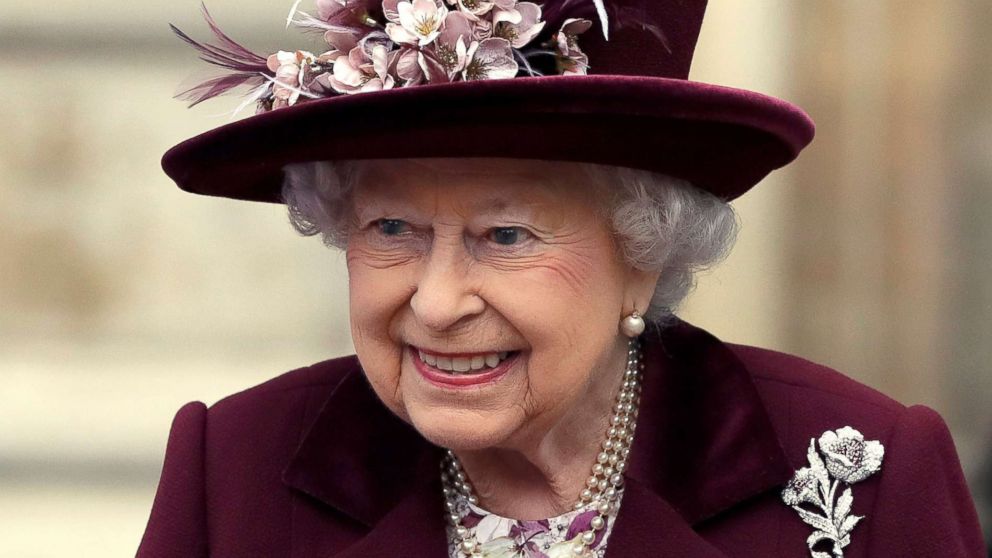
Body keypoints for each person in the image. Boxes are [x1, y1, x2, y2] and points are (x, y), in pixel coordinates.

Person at [139, 0, 986, 556]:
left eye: (504, 235)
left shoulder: (862, 474)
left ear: (642, 261)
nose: (436, 303)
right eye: (390, 228)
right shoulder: (237, 467)